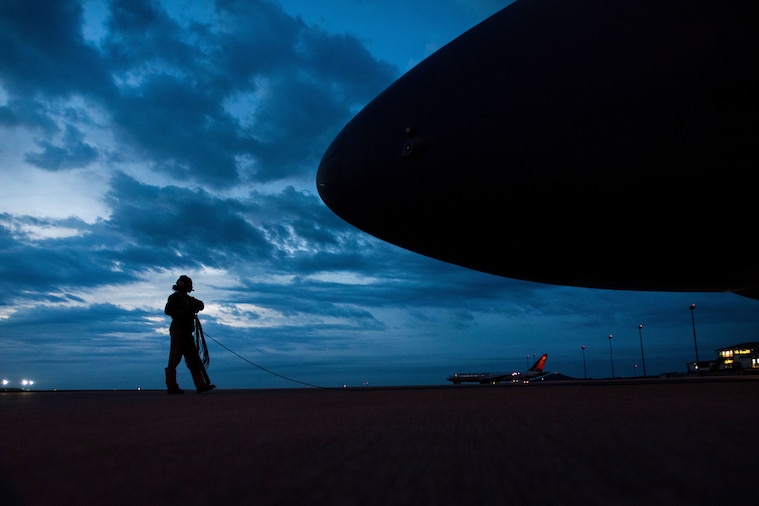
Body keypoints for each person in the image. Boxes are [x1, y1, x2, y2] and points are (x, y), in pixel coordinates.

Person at [164, 275, 216, 394]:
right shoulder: (175, 297)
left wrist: (191, 309)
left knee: (193, 358)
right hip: (178, 331)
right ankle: (172, 387)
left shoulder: (188, 299)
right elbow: (168, 311)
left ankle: (201, 385)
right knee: (174, 358)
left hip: (187, 332)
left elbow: (200, 304)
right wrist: (185, 313)